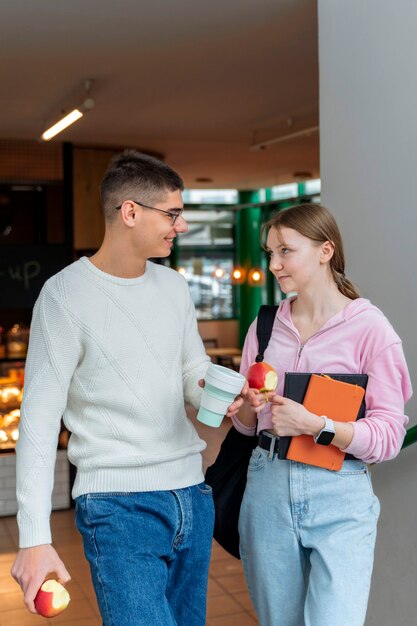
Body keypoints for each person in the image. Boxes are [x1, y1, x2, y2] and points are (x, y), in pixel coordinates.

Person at [10, 150, 243, 625]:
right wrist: (34, 537)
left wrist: (221, 391)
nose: (180, 226)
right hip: (118, 509)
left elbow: (188, 372)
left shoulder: (174, 287)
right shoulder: (63, 295)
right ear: (130, 211)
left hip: (192, 497)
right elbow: (37, 420)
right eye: (172, 214)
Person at [233, 203, 412, 626]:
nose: (274, 265)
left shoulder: (371, 329)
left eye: (285, 251)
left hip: (341, 493)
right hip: (267, 489)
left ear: (325, 250)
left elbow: (389, 435)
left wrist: (319, 426)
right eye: (269, 253)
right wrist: (244, 408)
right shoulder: (263, 327)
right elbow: (245, 427)